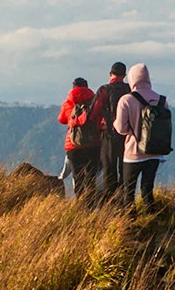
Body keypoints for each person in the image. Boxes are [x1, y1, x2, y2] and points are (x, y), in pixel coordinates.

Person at [112, 63, 168, 208]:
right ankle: (152, 219)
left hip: (133, 153)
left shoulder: (126, 100)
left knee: (128, 192)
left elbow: (122, 129)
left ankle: (130, 223)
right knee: (147, 190)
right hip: (155, 152)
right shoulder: (161, 100)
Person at [89, 62, 132, 203]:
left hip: (108, 135)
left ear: (110, 74)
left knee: (109, 168)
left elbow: (93, 113)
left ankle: (110, 201)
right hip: (128, 135)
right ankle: (125, 199)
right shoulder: (130, 90)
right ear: (124, 75)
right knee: (125, 168)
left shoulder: (104, 90)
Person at [58, 76, 101, 200]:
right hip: (94, 144)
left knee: (78, 178)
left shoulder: (67, 104)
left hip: (73, 145)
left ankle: (81, 204)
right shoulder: (95, 103)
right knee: (91, 176)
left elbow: (61, 119)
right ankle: (91, 204)